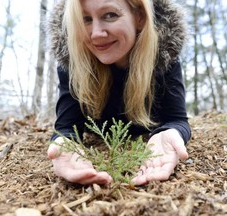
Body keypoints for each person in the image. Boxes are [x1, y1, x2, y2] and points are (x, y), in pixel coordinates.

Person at [47, 0, 191, 186]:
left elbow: (177, 119)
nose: (97, 33)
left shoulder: (164, 57)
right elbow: (66, 128)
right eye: (85, 19)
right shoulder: (73, 63)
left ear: (139, 17)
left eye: (110, 15)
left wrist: (172, 132)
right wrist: (63, 144)